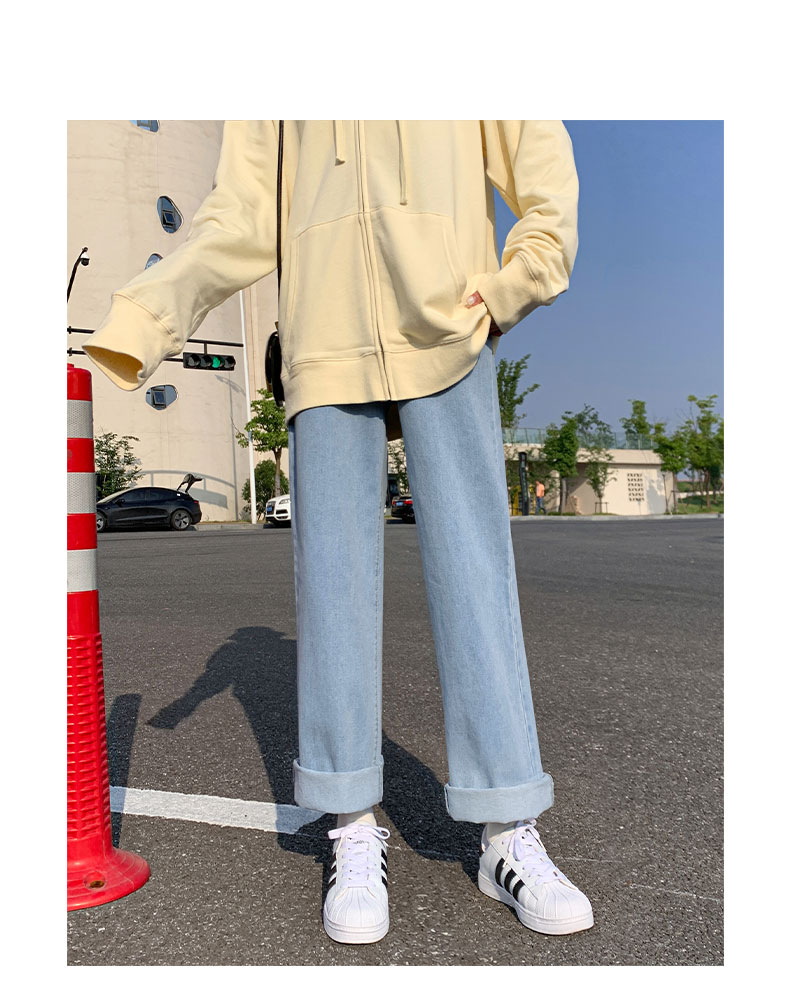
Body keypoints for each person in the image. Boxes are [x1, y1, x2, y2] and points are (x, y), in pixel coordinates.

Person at [83, 120, 593, 945]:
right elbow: (240, 215)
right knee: (333, 585)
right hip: (324, 341)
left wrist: (514, 284)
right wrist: (146, 315)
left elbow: (541, 167)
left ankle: (508, 829)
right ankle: (352, 825)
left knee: (475, 576)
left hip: (449, 329)